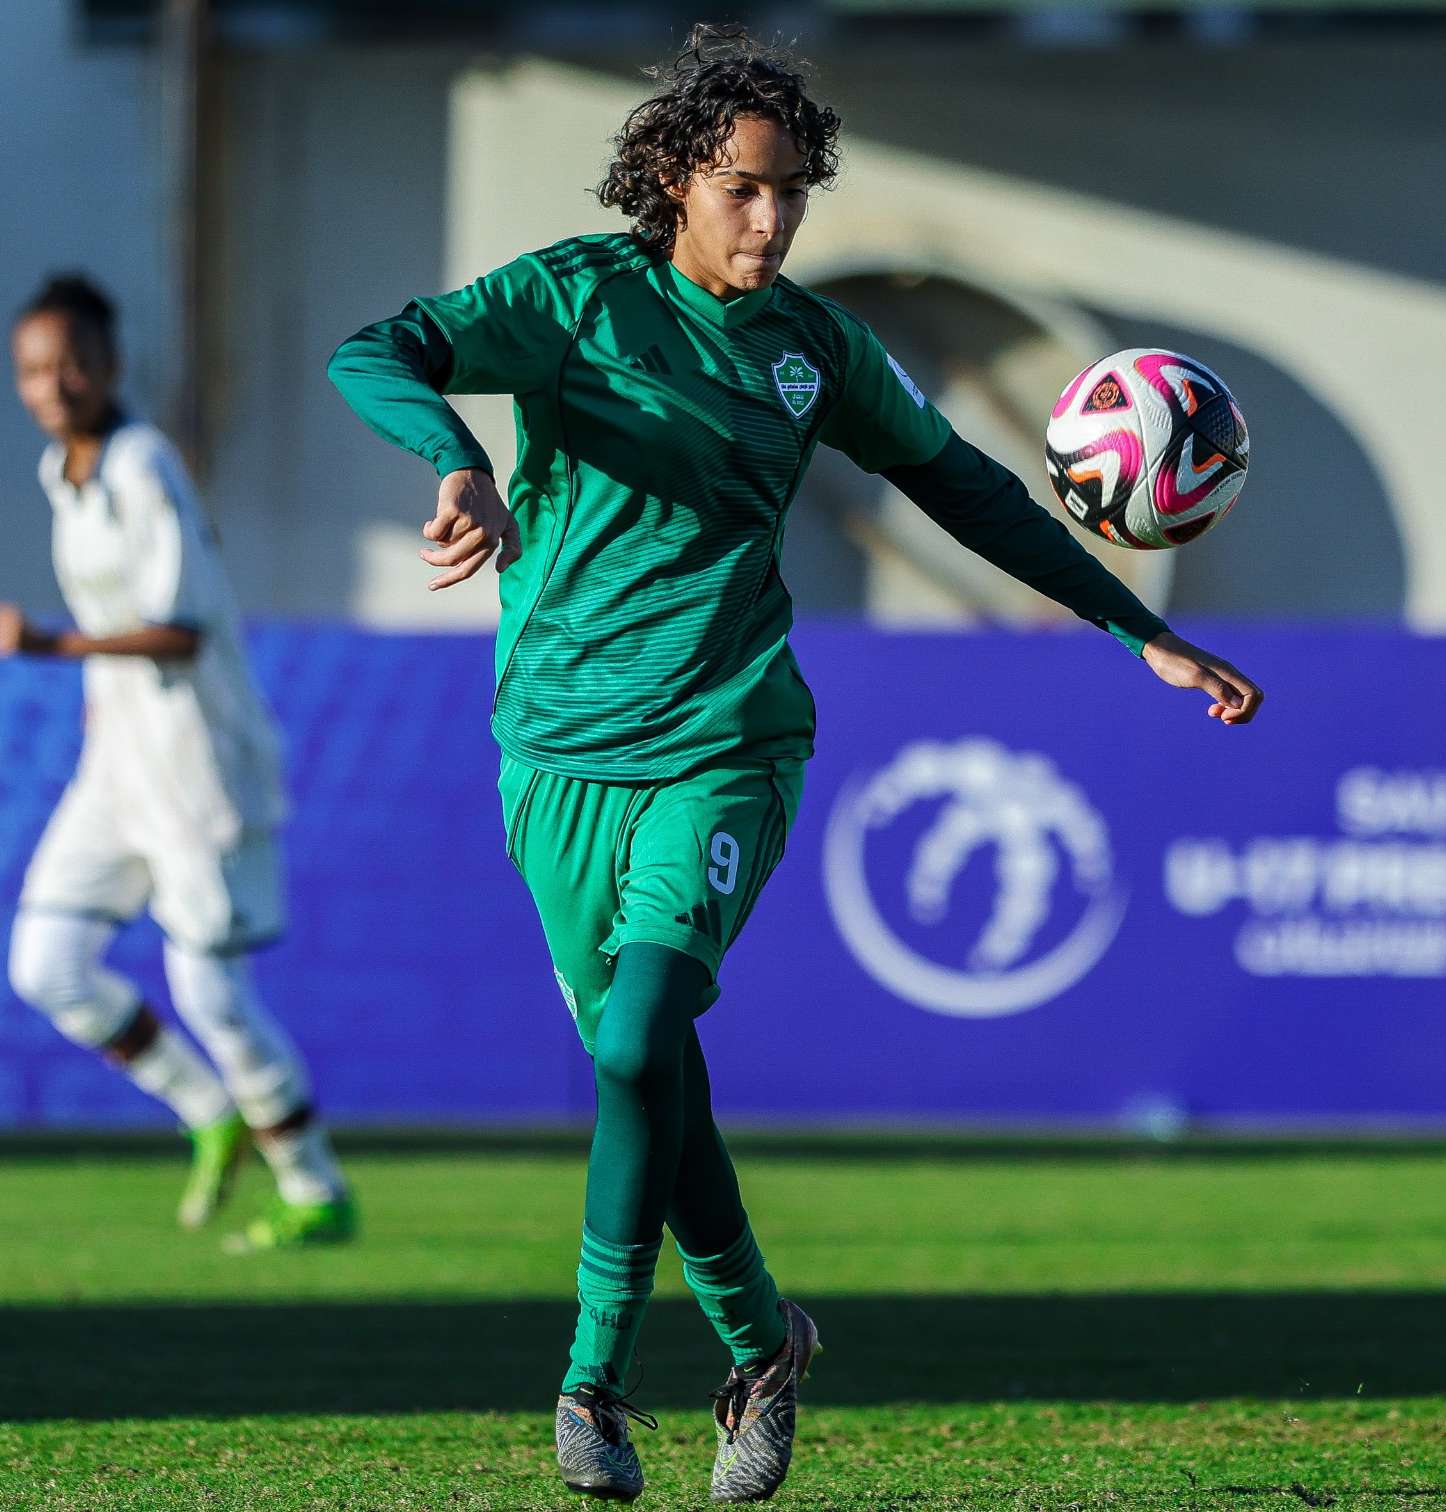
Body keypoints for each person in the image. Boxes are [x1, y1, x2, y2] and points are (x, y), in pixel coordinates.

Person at [328, 24, 1262, 1503]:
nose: (770, 221)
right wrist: (457, 457)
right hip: (555, 755)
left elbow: (965, 488)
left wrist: (1134, 629)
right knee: (651, 1070)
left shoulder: (815, 352)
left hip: (726, 740)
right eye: (742, 190)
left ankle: (590, 1381)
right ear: (675, 182)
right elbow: (373, 351)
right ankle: (766, 1346)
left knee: (635, 1043)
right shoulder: (574, 299)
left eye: (791, 193)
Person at [0, 274, 356, 1252]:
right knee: (47, 964)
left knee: (212, 994)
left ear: (110, 365)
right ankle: (206, 1110)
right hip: (118, 768)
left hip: (198, 767)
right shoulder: (62, 474)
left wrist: (49, 644)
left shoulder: (144, 463)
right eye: (34, 369)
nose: (55, 384)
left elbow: (181, 631)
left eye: (73, 363)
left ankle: (314, 1189)